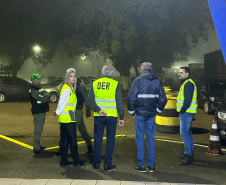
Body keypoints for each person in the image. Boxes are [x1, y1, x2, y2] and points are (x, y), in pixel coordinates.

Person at [127, 62, 167, 173]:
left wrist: (132, 111)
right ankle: (151, 165)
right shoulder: (157, 81)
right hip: (151, 114)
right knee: (151, 140)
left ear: (142, 69)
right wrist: (158, 111)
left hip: (140, 114)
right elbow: (163, 99)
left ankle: (141, 166)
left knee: (139, 139)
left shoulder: (137, 81)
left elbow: (131, 98)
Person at [88, 65, 125, 172]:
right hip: (112, 116)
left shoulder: (95, 83)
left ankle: (96, 163)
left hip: (99, 116)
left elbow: (90, 100)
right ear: (112, 74)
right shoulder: (115, 84)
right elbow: (119, 101)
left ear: (103, 72)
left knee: (98, 139)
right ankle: (107, 164)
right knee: (110, 139)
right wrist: (121, 116)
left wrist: (98, 110)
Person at [53, 68, 86, 167]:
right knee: (73, 140)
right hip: (67, 119)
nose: (73, 78)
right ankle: (76, 160)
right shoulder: (67, 88)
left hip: (67, 118)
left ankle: (63, 161)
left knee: (65, 140)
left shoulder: (70, 88)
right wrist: (57, 113)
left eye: (74, 76)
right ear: (67, 77)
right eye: (71, 76)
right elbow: (62, 103)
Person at [56, 79, 93, 156]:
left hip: (76, 110)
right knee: (65, 129)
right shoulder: (65, 86)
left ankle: (89, 146)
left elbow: (86, 98)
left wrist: (88, 109)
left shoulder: (80, 86)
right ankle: (62, 148)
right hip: (69, 111)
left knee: (81, 128)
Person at [177, 67, 197, 165]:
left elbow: (187, 100)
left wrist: (182, 110)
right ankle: (189, 153)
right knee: (188, 133)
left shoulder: (188, 84)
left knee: (184, 133)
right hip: (189, 112)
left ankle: (188, 155)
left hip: (186, 112)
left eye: (181, 72)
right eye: (179, 72)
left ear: (187, 74)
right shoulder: (188, 83)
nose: (179, 74)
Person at [29, 73, 50, 154]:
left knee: (39, 129)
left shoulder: (38, 88)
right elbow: (44, 98)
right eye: (38, 79)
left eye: (40, 78)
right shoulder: (33, 90)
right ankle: (36, 148)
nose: (39, 80)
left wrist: (45, 97)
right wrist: (45, 97)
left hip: (41, 111)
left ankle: (38, 145)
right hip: (38, 112)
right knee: (38, 130)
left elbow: (46, 95)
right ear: (33, 80)